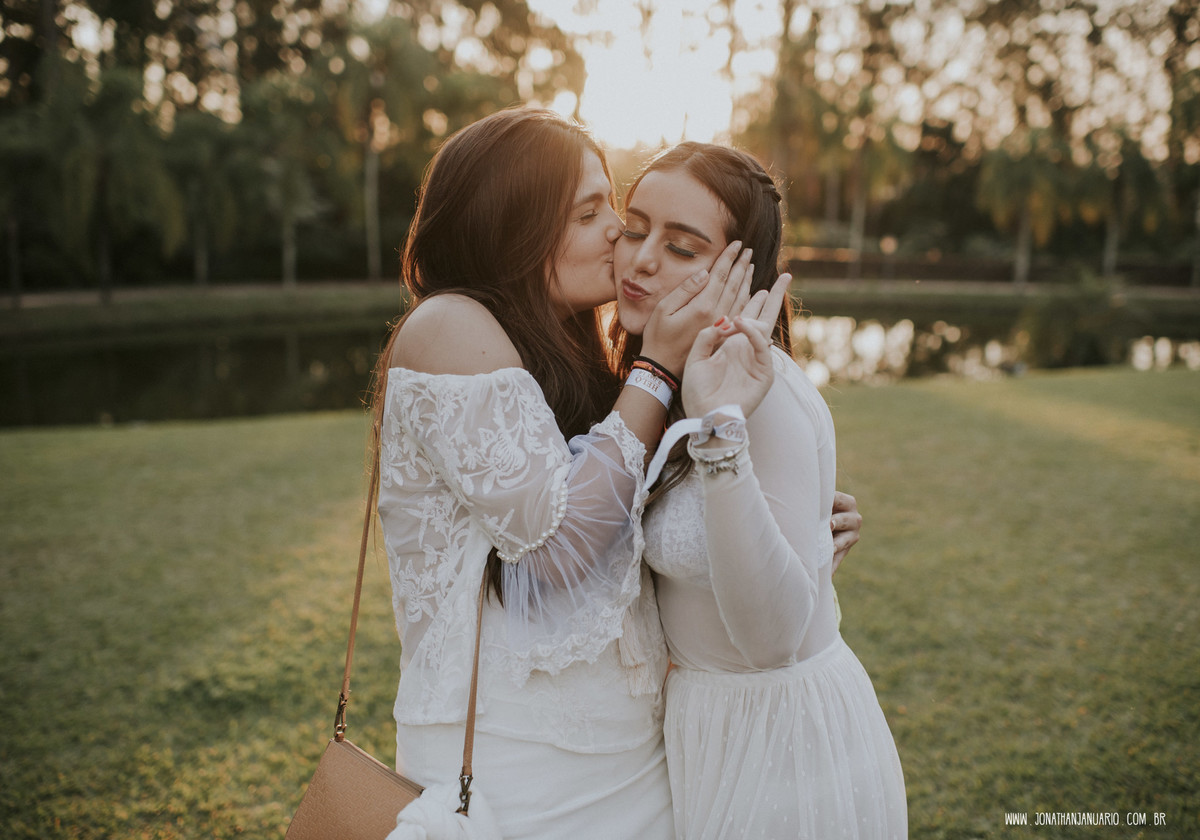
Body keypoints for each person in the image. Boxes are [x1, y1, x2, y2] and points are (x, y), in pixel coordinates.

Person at [368, 107, 776, 840]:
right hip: (509, 760)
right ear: (513, 226)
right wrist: (655, 371)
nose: (618, 232)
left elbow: (632, 526)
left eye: (608, 205)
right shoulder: (449, 327)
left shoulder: (571, 351)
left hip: (629, 752)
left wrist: (779, 516)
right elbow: (556, 547)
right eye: (590, 212)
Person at [613, 142, 907, 839]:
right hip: (706, 735)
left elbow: (772, 638)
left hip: (782, 750)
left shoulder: (761, 398)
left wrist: (722, 428)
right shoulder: (653, 379)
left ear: (741, 274)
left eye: (682, 246)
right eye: (634, 228)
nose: (643, 258)